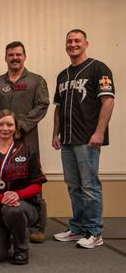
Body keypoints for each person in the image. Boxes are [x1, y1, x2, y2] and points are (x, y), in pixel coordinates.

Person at [52, 29, 115, 249]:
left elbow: (108, 101)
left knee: (90, 186)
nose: (73, 44)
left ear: (86, 43)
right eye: (69, 41)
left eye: (77, 40)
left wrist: (99, 132)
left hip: (87, 139)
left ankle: (95, 231)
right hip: (68, 140)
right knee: (73, 186)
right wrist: (55, 133)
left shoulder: (98, 68)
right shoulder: (63, 75)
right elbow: (58, 109)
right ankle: (77, 227)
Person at [0, 41, 50, 243]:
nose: (15, 57)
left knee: (32, 177)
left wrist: (20, 126)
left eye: (18, 54)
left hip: (27, 139)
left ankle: (37, 226)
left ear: (25, 56)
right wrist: (2, 125)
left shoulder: (36, 81)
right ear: (5, 57)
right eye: (11, 54)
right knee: (0, 174)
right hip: (2, 138)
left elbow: (42, 105)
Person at [0, 109, 47, 265]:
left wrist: (17, 195)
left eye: (9, 124)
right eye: (1, 124)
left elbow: (37, 185)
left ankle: (21, 249)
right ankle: (7, 235)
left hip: (24, 206)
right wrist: (2, 199)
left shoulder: (28, 150)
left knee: (12, 209)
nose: (5, 128)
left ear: (15, 127)